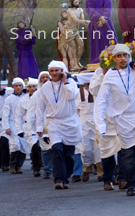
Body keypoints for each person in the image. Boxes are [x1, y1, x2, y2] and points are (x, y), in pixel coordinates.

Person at [94, 44, 135, 196]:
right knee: (128, 155)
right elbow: (101, 101)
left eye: (125, 55)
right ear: (114, 58)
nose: (122, 59)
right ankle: (132, 184)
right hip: (123, 120)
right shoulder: (109, 76)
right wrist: (100, 124)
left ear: (130, 56)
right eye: (119, 56)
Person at [36, 61, 82, 190]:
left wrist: (65, 81)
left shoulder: (71, 83)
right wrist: (39, 127)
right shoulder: (45, 88)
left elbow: (71, 95)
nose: (54, 73)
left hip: (70, 122)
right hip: (54, 123)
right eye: (52, 71)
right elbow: (39, 108)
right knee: (56, 149)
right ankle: (58, 179)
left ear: (62, 71)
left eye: (57, 70)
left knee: (68, 153)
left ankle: (66, 177)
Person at [90, 65, 123, 190]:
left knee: (122, 149)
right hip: (104, 119)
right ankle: (107, 179)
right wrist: (103, 75)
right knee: (106, 152)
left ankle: (122, 178)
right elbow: (94, 90)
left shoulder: (123, 73)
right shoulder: (98, 73)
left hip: (120, 118)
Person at [76, 72, 103, 182]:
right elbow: (75, 111)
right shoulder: (78, 92)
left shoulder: (98, 89)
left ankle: (101, 171)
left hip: (97, 120)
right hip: (83, 122)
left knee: (99, 148)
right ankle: (86, 168)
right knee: (85, 148)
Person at [85, 0, 117, 65]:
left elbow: (108, 7)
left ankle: (112, 57)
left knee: (110, 39)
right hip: (95, 24)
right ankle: (97, 60)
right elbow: (89, 10)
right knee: (96, 42)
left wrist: (104, 17)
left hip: (106, 22)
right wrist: (99, 18)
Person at [15, 77, 42, 177]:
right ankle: (36, 168)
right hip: (29, 127)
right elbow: (19, 115)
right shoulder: (23, 100)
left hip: (43, 125)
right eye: (30, 87)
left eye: (34, 86)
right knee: (35, 147)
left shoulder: (42, 97)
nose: (32, 88)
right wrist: (19, 129)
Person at [29, 71, 53, 179]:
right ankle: (48, 170)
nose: (45, 79)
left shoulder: (56, 90)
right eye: (42, 77)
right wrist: (35, 127)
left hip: (56, 122)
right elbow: (32, 112)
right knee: (45, 149)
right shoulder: (36, 94)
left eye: (47, 77)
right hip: (42, 124)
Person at [2, 77, 28, 174]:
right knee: (15, 145)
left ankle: (19, 166)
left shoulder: (26, 97)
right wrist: (6, 127)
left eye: (20, 85)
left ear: (22, 86)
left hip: (24, 125)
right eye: (16, 85)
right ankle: (12, 165)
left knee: (24, 146)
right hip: (13, 124)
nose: (18, 87)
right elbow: (5, 114)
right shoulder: (9, 99)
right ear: (13, 87)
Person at [65, 0, 90, 70]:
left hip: (76, 30)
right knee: (74, 46)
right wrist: (86, 21)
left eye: (78, 2)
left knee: (81, 45)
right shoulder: (70, 10)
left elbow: (82, 20)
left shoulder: (80, 10)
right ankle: (74, 65)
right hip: (69, 30)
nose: (77, 3)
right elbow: (75, 19)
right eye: (75, 2)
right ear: (72, 3)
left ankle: (77, 62)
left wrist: (86, 25)